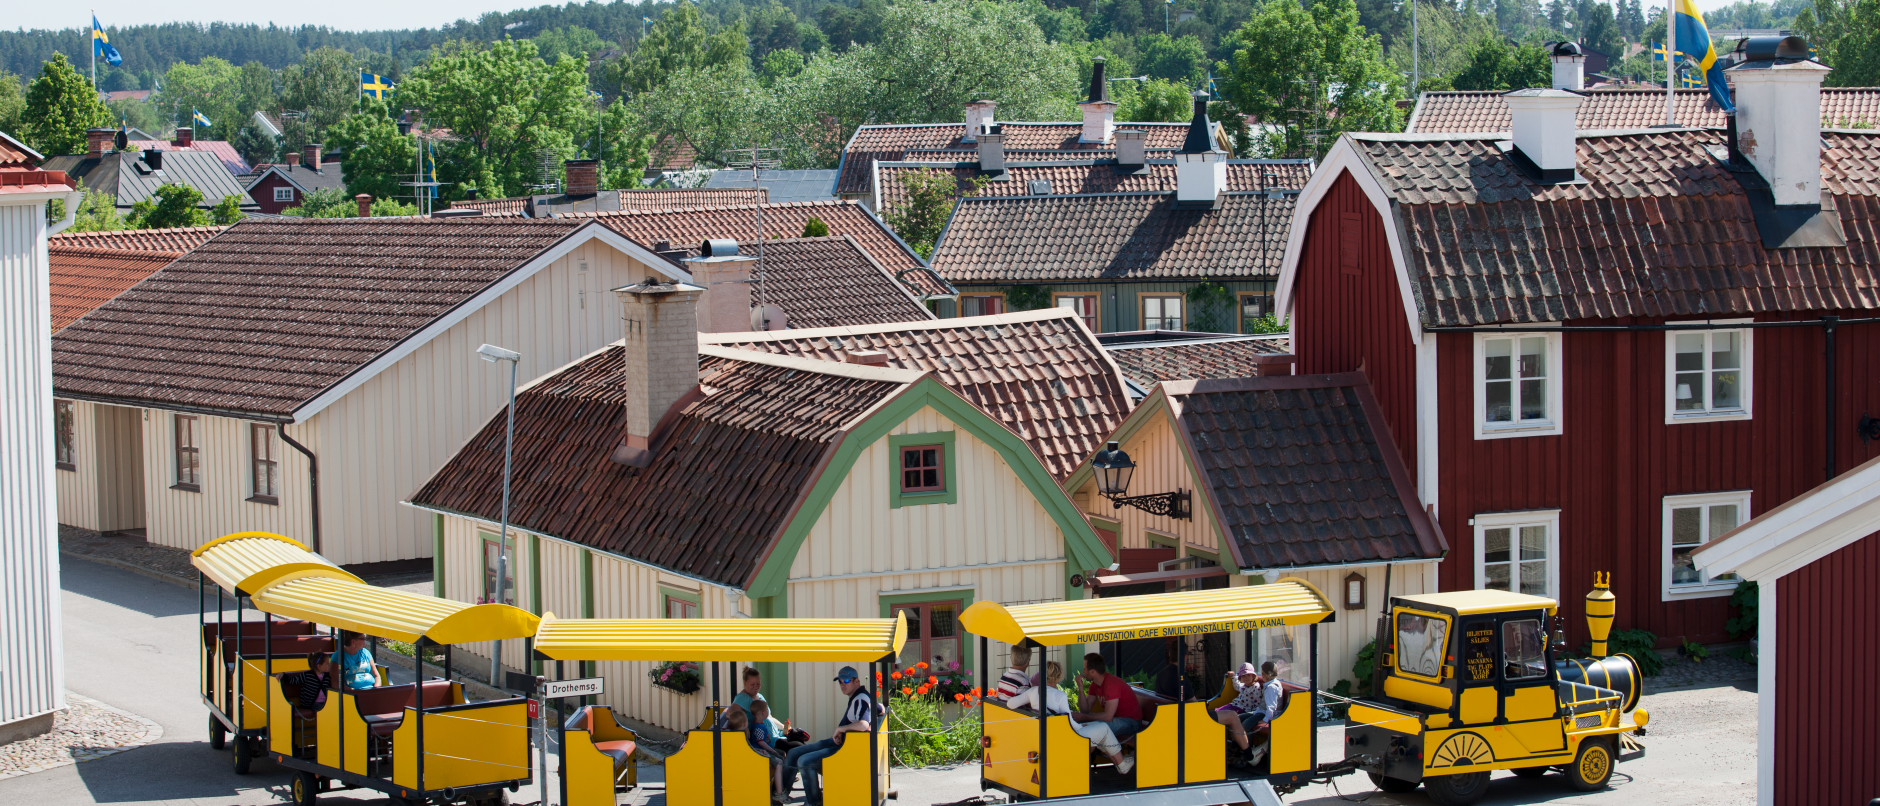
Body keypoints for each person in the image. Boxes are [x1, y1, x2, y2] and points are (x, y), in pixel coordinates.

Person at [1009, 662, 1134, 774]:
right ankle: (1122, 764)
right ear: (1058, 677)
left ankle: (1119, 764)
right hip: (1065, 736)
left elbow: (1010, 704)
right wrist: (1082, 725)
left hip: (1048, 734)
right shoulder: (1060, 695)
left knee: (1097, 730)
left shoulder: (1033, 691)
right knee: (1104, 728)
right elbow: (1069, 723)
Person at [782, 666, 876, 806]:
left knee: (804, 761)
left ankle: (815, 802)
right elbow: (879, 708)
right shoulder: (858, 696)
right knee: (794, 752)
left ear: (857, 681)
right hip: (839, 742)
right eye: (839, 681)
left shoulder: (860, 698)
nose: (842, 684)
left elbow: (862, 724)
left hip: (846, 749)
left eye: (846, 680)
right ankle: (780, 794)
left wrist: (841, 729)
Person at [1075, 654, 1146, 742]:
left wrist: (1083, 717)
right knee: (1075, 722)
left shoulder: (1111, 684)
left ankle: (1089, 754)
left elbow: (1108, 716)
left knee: (1090, 728)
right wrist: (1081, 689)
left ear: (1092, 672)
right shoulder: (1094, 685)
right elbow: (1085, 711)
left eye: (1085, 669)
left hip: (1131, 722)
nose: (1083, 672)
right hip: (1115, 719)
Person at [1212, 663, 1262, 757]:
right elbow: (1237, 686)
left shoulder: (1256, 687)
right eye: (1243, 676)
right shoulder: (1243, 686)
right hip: (1234, 705)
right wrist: (1233, 676)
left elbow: (1257, 702)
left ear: (1253, 676)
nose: (1246, 678)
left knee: (1228, 718)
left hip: (1242, 709)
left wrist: (1254, 715)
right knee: (1216, 713)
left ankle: (1234, 748)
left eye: (1248, 675)